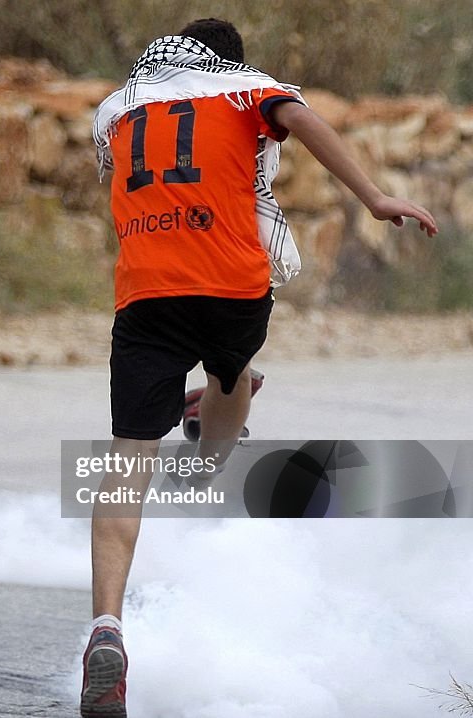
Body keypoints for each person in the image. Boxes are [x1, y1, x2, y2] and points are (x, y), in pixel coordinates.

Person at [80, 18, 437, 717]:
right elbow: (302, 120)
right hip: (232, 285)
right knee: (232, 376)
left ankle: (106, 628)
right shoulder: (249, 90)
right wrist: (374, 197)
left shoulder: (118, 106)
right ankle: (212, 448)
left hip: (147, 291)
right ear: (229, 65)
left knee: (127, 460)